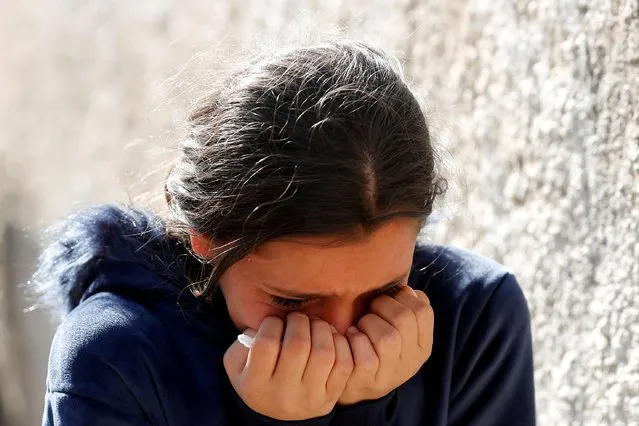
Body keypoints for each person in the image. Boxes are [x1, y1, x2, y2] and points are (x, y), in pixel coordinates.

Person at [34, 39, 535, 425]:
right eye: (293, 302)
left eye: (385, 290)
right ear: (208, 240)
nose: (341, 337)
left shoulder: (474, 318)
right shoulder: (119, 359)